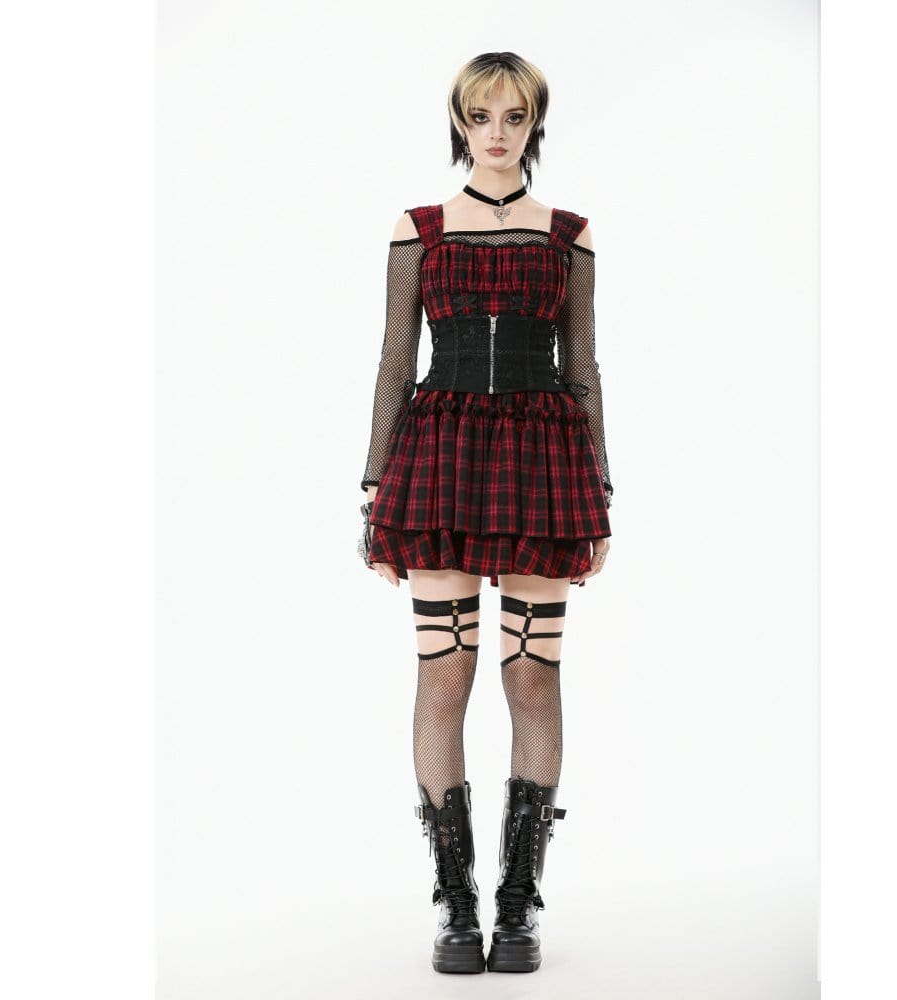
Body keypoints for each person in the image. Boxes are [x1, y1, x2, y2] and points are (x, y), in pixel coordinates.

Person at [357, 51, 614, 975]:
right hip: (440, 458)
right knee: (445, 674)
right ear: (460, 122)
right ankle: (456, 902)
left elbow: (582, 366)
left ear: (534, 123)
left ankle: (518, 902)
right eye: (481, 116)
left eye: (514, 116)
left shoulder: (568, 234)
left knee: (532, 678)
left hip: (542, 463)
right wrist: (375, 490)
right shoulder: (420, 229)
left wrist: (601, 492)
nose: (496, 133)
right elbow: (396, 361)